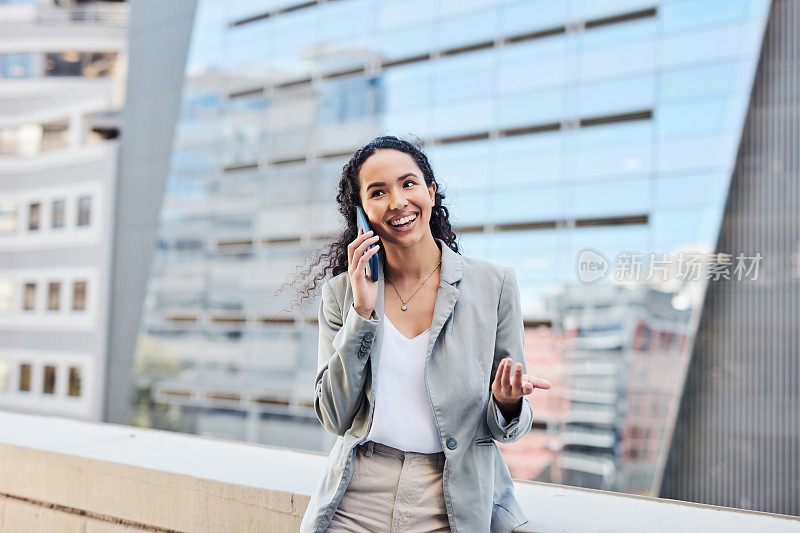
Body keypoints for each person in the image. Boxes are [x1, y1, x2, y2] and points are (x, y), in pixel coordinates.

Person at [298, 136, 551, 533]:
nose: (397, 201)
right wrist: (362, 312)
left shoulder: (494, 284)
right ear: (362, 213)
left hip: (449, 496)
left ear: (431, 193)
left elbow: (509, 428)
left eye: (408, 184)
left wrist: (506, 402)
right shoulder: (343, 294)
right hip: (357, 494)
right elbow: (334, 416)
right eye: (378, 192)